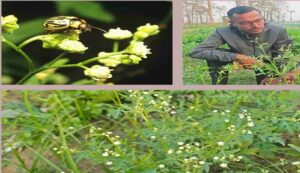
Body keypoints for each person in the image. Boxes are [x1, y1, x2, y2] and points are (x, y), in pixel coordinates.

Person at [189, 6, 299, 85]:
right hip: (239, 58)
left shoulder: (277, 30)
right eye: (245, 23)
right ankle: (218, 86)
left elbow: (281, 55)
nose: (256, 26)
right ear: (232, 23)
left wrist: (275, 77)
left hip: (266, 61)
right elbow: (196, 51)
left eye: (258, 20)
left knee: (267, 82)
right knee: (214, 56)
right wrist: (238, 57)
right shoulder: (222, 32)